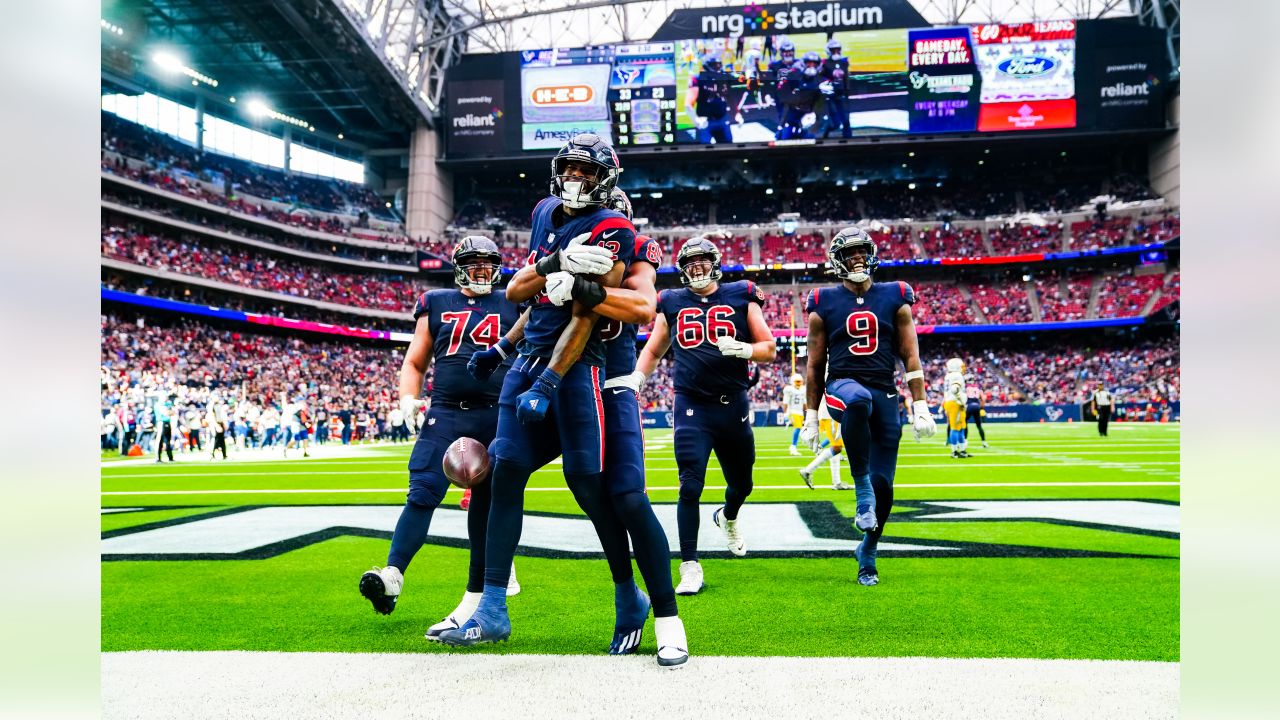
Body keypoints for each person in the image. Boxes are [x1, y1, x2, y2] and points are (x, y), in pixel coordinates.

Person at [438, 134, 644, 655]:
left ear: (607, 178)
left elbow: (584, 315)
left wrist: (550, 381)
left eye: (586, 171)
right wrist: (505, 349)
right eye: (569, 168)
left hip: (576, 371)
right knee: (504, 473)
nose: (576, 178)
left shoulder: (615, 229)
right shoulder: (545, 212)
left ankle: (628, 595)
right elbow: (520, 294)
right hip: (527, 364)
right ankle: (492, 607)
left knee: (589, 486)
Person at [470, 187, 688, 666]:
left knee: (626, 498)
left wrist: (588, 287)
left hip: (609, 384)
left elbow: (641, 308)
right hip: (562, 380)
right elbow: (538, 307)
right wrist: (503, 350)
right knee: (525, 472)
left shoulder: (635, 250)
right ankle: (489, 603)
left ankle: (667, 619)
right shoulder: (562, 235)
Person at [359, 236, 523, 623]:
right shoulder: (435, 301)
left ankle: (488, 580)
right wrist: (407, 397)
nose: (483, 271)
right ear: (458, 265)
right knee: (422, 491)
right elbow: (415, 361)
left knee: (489, 500)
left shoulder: (514, 299)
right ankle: (393, 575)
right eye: (475, 263)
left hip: (496, 411)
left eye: (489, 263)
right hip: (446, 411)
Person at [635, 236, 778, 596]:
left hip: (733, 405)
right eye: (690, 263)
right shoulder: (671, 301)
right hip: (691, 405)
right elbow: (654, 349)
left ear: (715, 263)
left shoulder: (742, 294)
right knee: (690, 485)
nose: (697, 269)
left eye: (703, 262)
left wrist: (745, 348)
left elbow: (770, 348)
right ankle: (689, 564)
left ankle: (728, 515)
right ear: (682, 269)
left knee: (743, 485)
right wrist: (636, 380)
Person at [800, 227, 937, 586]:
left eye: (862, 252)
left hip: (886, 392)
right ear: (838, 261)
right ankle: (860, 487)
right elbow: (815, 365)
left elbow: (910, 355)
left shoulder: (895, 295)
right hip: (841, 385)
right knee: (858, 401)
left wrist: (920, 404)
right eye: (850, 254)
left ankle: (868, 551)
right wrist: (811, 416)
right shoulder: (822, 301)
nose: (857, 259)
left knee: (886, 488)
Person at [799, 395, 851, 491]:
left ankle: (837, 482)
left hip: (831, 411)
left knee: (836, 447)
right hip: (832, 411)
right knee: (837, 447)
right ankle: (807, 471)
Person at [776, 51, 826, 140]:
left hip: (808, 117)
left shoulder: (821, 81)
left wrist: (813, 115)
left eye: (814, 64)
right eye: (809, 63)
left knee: (809, 139)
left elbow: (821, 104)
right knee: (783, 138)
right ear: (803, 64)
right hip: (791, 115)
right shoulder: (793, 76)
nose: (811, 66)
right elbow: (783, 96)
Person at [686, 54, 734, 144]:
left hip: (722, 119)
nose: (718, 67)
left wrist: (736, 113)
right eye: (715, 65)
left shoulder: (722, 78)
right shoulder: (698, 79)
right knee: (703, 151)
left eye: (719, 64)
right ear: (707, 66)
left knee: (728, 149)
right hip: (706, 122)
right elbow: (688, 105)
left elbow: (729, 97)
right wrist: (696, 120)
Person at [820, 37, 851, 139]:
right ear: (829, 51)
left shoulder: (844, 62)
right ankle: (825, 135)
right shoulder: (824, 63)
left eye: (838, 49)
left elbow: (846, 77)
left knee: (846, 121)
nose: (836, 52)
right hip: (830, 96)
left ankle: (849, 142)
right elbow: (820, 79)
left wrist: (847, 92)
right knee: (835, 123)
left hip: (841, 95)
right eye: (834, 50)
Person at [942, 358, 970, 458]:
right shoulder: (956, 375)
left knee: (962, 427)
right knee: (955, 428)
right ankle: (954, 452)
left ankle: (962, 450)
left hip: (952, 402)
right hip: (955, 403)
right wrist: (960, 400)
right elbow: (954, 389)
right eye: (961, 366)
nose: (963, 368)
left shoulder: (949, 375)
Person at [783, 372, 806, 456]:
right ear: (793, 381)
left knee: (801, 429)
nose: (799, 383)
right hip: (792, 411)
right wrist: (785, 414)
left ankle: (794, 446)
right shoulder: (789, 389)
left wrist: (807, 411)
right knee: (798, 428)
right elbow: (785, 402)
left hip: (800, 412)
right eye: (797, 381)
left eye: (800, 381)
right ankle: (793, 447)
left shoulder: (803, 389)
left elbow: (804, 402)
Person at [964, 372, 988, 448]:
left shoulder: (966, 388)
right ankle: (984, 442)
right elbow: (983, 398)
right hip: (977, 406)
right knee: (979, 425)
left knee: (964, 423)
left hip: (969, 405)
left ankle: (965, 441)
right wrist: (981, 407)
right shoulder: (978, 388)